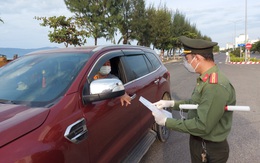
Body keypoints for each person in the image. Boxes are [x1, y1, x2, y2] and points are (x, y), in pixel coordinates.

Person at [152, 36, 236, 163]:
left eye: (187, 59)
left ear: (197, 58)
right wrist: (171, 103)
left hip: (210, 150)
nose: (186, 63)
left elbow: (202, 126)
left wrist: (167, 121)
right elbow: (195, 104)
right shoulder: (205, 79)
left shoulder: (214, 86)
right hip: (200, 144)